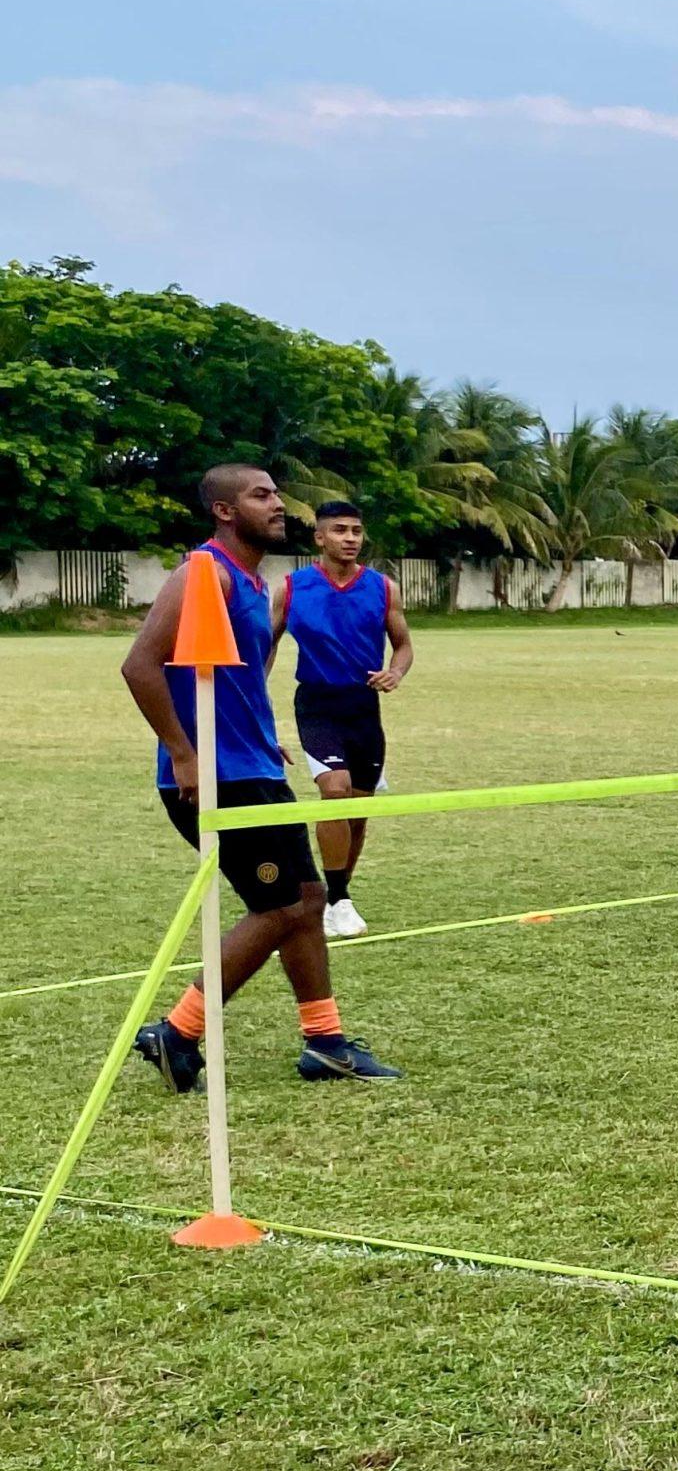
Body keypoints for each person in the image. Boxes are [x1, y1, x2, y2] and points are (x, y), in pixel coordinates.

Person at [123, 464, 401, 1088]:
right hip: (215, 780)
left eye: (276, 493)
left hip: (251, 766)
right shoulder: (205, 571)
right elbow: (140, 666)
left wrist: (260, 735)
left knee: (305, 902)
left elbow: (230, 677)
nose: (279, 505)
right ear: (225, 510)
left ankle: (325, 1042)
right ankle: (177, 1032)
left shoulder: (249, 579)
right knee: (281, 906)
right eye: (262, 495)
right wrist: (186, 754)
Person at [270, 500, 413, 938]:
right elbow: (265, 645)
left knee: (357, 809)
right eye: (339, 530)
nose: (349, 538)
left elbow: (404, 645)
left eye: (355, 531)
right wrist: (253, 704)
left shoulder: (383, 587)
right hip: (317, 703)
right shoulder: (293, 588)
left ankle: (338, 895)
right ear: (319, 537)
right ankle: (335, 898)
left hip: (363, 707)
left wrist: (395, 671)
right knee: (334, 790)